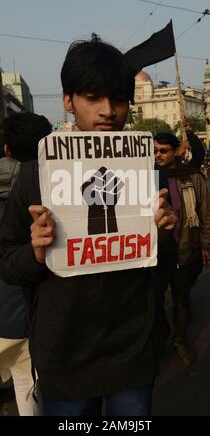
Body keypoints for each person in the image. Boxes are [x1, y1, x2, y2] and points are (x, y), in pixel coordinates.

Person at [0, 35, 176, 417]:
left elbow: (164, 262)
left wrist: (164, 232)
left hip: (132, 352)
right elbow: (7, 262)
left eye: (118, 99)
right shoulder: (35, 176)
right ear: (68, 100)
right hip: (64, 357)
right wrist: (35, 251)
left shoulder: (149, 171)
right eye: (92, 98)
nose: (108, 111)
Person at [0, 111, 52, 415]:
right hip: (28, 317)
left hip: (12, 315)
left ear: (7, 150)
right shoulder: (57, 189)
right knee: (27, 386)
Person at [154, 132, 210, 366]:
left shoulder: (193, 178)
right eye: (155, 150)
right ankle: (162, 336)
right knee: (154, 303)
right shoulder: (147, 178)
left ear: (176, 151)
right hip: (156, 254)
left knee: (181, 300)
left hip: (186, 250)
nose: (158, 155)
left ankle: (180, 340)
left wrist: (206, 244)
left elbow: (205, 213)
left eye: (163, 150)